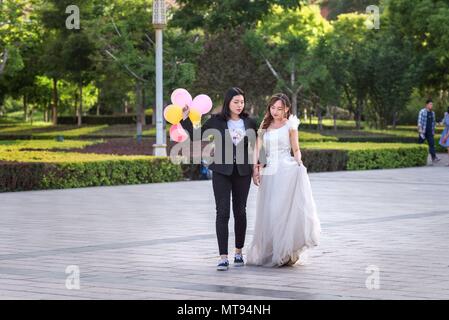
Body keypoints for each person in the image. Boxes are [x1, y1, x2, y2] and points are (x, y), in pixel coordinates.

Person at [180, 87, 258, 271]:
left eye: (242, 102)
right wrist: (186, 119)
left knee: (240, 211)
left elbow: (257, 145)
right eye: (236, 102)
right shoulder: (216, 121)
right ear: (228, 103)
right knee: (222, 212)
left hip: (243, 172)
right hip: (221, 171)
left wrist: (258, 168)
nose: (239, 105)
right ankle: (223, 256)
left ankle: (238, 252)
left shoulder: (250, 122)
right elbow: (197, 136)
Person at [247, 93, 321, 267]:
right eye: (272, 108)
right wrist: (255, 168)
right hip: (268, 172)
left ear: (287, 108)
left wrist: (299, 162)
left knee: (283, 210)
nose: (275, 111)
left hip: (285, 171)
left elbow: (296, 149)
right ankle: (272, 250)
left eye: (279, 108)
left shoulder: (290, 125)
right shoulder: (265, 125)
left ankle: (286, 251)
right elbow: (257, 148)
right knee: (269, 211)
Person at [418, 99, 440, 163]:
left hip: (430, 132)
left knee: (432, 144)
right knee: (420, 144)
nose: (431, 105)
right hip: (423, 131)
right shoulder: (422, 111)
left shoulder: (433, 113)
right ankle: (418, 157)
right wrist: (420, 130)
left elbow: (433, 123)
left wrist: (434, 131)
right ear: (426, 105)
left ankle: (434, 158)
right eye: (430, 104)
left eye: (432, 104)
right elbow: (419, 121)